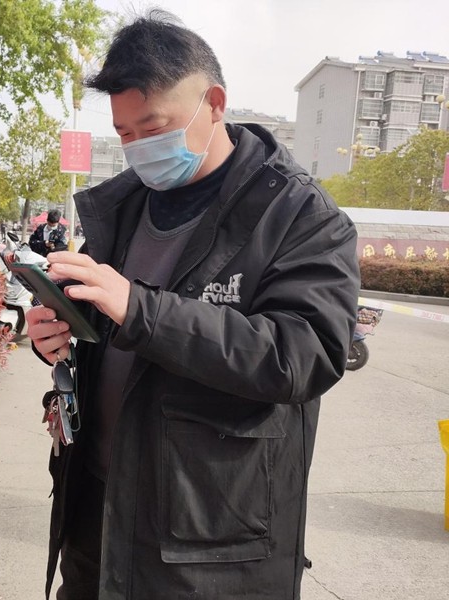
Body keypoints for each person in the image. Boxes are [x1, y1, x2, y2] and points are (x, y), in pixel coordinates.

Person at [26, 12, 360, 600]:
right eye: (125, 133)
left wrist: (141, 309)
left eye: (153, 126)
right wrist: (58, 330)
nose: (139, 147)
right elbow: (107, 322)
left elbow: (303, 355)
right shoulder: (123, 208)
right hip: (98, 508)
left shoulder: (299, 215)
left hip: (208, 542)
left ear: (215, 104)